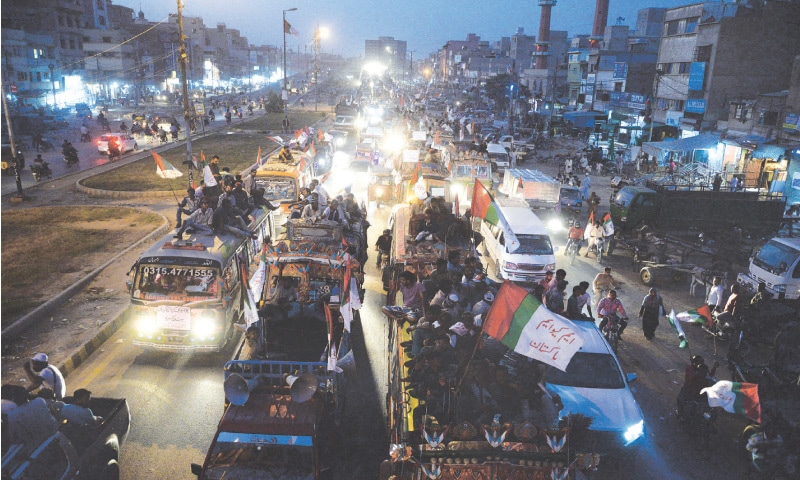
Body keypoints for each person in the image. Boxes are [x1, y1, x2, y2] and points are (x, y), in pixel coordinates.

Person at [677, 355, 718, 419]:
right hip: (689, 391)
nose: (702, 363)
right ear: (695, 363)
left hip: (700, 393)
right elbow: (691, 379)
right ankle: (681, 413)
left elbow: (710, 376)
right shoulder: (690, 369)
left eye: (702, 362)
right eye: (700, 362)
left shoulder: (703, 369)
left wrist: (714, 367)